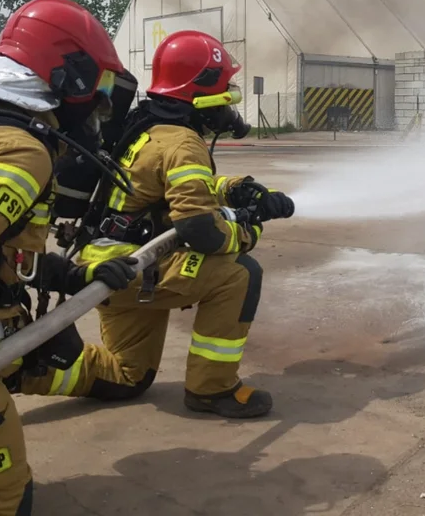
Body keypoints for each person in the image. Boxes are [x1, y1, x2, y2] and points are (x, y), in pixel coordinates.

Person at [17, 30, 295, 419]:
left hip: (107, 264)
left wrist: (238, 190)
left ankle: (19, 370)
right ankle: (212, 389)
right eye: (225, 89)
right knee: (240, 273)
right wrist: (248, 229)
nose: (229, 101)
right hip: (136, 267)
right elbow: (202, 231)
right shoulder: (183, 142)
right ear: (202, 95)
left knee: (128, 376)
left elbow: (166, 187)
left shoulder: (144, 127)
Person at [0, 0, 138, 516]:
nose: (101, 108)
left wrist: (70, 273)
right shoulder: (20, 149)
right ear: (70, 77)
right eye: (102, 92)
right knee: (2, 491)